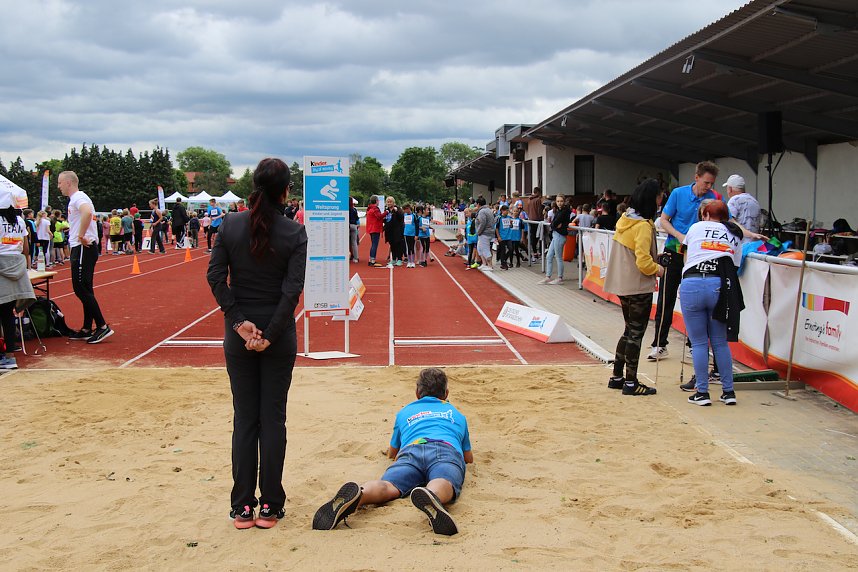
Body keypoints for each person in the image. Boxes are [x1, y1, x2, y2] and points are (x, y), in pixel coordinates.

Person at [206, 158, 308, 530]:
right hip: (277, 338)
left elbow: (215, 277)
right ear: (285, 191)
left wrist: (238, 323)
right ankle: (271, 505)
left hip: (239, 335)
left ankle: (242, 506)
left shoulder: (229, 225)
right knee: (273, 420)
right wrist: (270, 333)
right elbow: (291, 290)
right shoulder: (295, 233)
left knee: (245, 419)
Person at [312, 368, 473, 536]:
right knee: (443, 480)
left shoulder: (404, 412)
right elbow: (468, 457)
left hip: (412, 450)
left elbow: (392, 452)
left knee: (388, 486)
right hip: (445, 449)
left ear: (417, 393)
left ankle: (360, 494)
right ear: (446, 393)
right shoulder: (457, 415)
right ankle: (432, 494)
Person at [647, 161, 722, 361]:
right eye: (706, 182)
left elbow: (726, 222)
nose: (709, 187)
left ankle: (694, 345)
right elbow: (663, 220)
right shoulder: (679, 193)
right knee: (666, 299)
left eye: (712, 183)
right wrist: (680, 236)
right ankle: (659, 344)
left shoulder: (713, 198)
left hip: (698, 255)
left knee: (696, 301)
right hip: (674, 251)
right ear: (696, 178)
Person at [680, 200, 744, 406]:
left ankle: (702, 392)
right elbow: (735, 265)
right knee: (719, 341)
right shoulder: (734, 234)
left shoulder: (696, 227)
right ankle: (728, 391)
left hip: (692, 282)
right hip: (719, 285)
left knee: (699, 342)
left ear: (706, 214)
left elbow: (686, 253)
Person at [603, 179, 664, 396]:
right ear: (652, 199)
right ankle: (631, 382)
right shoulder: (643, 226)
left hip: (623, 285)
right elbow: (643, 262)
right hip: (638, 287)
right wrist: (659, 269)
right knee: (636, 334)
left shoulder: (625, 219)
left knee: (628, 331)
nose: (661, 201)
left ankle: (617, 377)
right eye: (659, 197)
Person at [59, 171, 113, 344]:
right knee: (85, 288)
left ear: (68, 182)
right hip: (83, 247)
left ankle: (102, 326)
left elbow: (87, 212)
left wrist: (81, 235)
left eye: (60, 183)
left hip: (82, 247)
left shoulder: (78, 197)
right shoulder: (75, 199)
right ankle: (86, 328)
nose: (58, 186)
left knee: (80, 287)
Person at [0, 191, 35, 369]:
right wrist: (25, 266)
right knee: (7, 313)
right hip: (17, 265)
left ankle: (5, 353)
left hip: (1, 266)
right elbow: (26, 247)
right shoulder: (20, 221)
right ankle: (9, 353)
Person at [539, 194, 571, 284]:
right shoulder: (558, 211)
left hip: (560, 236)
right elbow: (554, 223)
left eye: (561, 201)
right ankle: (548, 276)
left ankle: (560, 277)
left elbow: (554, 223)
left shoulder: (565, 211)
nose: (559, 203)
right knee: (549, 256)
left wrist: (555, 225)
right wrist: (556, 225)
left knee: (558, 257)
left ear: (564, 201)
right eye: (558, 201)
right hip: (556, 234)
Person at [473, 197, 494, 271]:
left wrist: (478, 231)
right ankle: (484, 263)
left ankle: (490, 265)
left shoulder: (482, 211)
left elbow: (482, 223)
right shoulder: (489, 210)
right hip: (488, 232)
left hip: (484, 233)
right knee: (479, 248)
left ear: (478, 204)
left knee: (485, 249)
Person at [383, 197, 404, 267]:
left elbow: (401, 217)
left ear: (393, 202)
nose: (389, 203)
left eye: (390, 202)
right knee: (392, 245)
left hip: (397, 230)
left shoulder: (398, 209)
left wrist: (396, 211)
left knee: (398, 244)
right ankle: (394, 259)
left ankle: (400, 259)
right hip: (389, 231)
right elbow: (385, 220)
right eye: (388, 202)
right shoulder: (386, 210)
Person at [365, 196, 384, 267]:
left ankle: (371, 259)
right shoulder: (375, 209)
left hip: (371, 228)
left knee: (373, 244)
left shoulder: (369, 208)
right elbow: (379, 216)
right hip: (375, 228)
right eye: (378, 201)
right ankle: (372, 260)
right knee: (374, 245)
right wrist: (386, 212)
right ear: (376, 201)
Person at [402, 204, 417, 268]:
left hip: (413, 234)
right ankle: (409, 261)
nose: (404, 211)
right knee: (408, 248)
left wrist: (416, 234)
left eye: (405, 209)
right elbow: (403, 223)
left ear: (408, 208)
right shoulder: (404, 215)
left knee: (412, 248)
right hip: (406, 233)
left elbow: (416, 225)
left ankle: (413, 262)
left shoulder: (414, 215)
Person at [348, 198, 360, 264]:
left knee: (347, 243)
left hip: (348, 225)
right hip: (354, 226)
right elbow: (357, 218)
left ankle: (347, 256)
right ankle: (356, 258)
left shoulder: (346, 210)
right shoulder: (354, 209)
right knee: (354, 243)